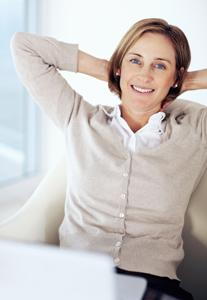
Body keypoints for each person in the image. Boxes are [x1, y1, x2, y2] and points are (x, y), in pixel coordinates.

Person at [10, 18, 207, 299]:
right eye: (135, 60)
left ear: (176, 76)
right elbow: (24, 46)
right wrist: (110, 69)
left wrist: (189, 82)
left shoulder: (196, 129)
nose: (145, 74)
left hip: (152, 287)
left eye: (160, 65)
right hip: (74, 281)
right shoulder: (79, 117)